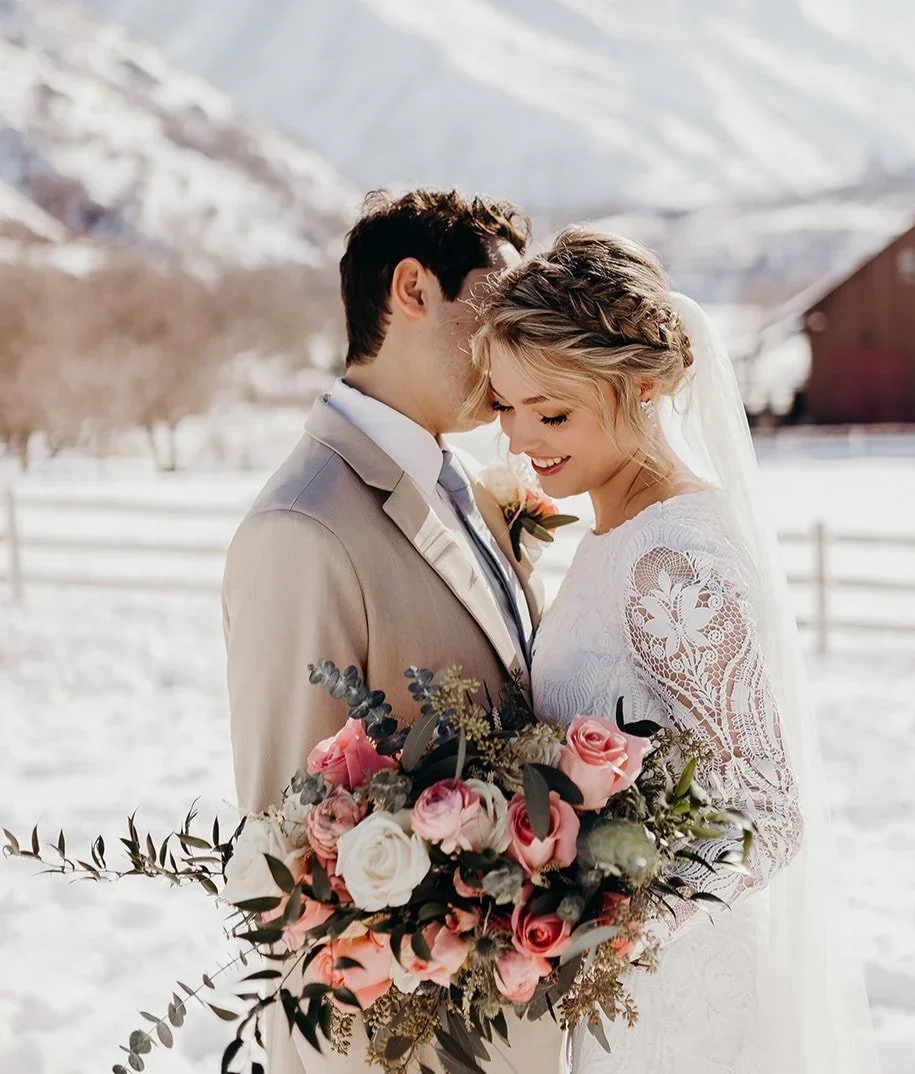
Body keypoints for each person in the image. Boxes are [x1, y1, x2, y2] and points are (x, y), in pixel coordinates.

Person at [471, 228, 878, 1074]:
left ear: (646, 386)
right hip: (611, 996)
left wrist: (609, 927)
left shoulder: (672, 563)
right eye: (506, 405)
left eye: (553, 413)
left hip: (675, 1004)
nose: (520, 438)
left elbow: (768, 815)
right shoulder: (612, 531)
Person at [222, 189, 564, 1074]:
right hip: (400, 1046)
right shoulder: (305, 527)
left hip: (509, 1020)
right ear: (412, 289)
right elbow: (289, 853)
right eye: (497, 305)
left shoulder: (469, 489)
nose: (515, 340)